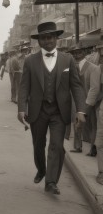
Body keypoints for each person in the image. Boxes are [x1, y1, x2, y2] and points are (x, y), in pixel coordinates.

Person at [17, 22, 86, 195]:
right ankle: (41, 169)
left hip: (59, 111)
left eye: (51, 37)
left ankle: (51, 181)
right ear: (38, 41)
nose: (48, 41)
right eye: (44, 38)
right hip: (37, 111)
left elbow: (76, 86)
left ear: (56, 39)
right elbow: (24, 86)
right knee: (38, 145)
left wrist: (80, 110)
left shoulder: (67, 59)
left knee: (56, 145)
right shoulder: (30, 61)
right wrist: (21, 108)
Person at [66, 43, 100, 154]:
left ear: (84, 53)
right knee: (76, 123)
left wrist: (89, 102)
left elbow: (94, 88)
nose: (77, 55)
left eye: (79, 52)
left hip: (90, 101)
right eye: (74, 53)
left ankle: (93, 148)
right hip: (76, 100)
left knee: (92, 124)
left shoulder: (93, 68)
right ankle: (77, 146)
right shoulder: (71, 68)